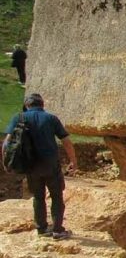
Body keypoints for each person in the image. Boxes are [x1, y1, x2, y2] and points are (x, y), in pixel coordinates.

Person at [2, 94, 77, 239]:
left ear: (27, 105)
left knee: (38, 196)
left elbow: (7, 143)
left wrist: (6, 162)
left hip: (30, 164)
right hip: (50, 163)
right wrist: (73, 160)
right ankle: (57, 229)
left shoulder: (19, 118)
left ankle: (42, 229)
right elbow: (66, 140)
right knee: (56, 196)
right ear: (42, 104)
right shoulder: (51, 118)